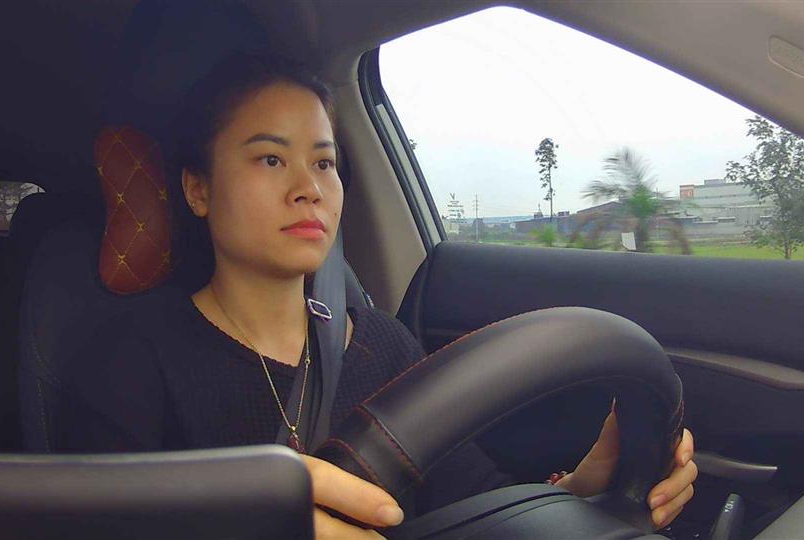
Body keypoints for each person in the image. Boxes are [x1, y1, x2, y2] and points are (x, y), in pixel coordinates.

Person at [52, 51, 696, 540]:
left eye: (324, 163)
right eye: (271, 159)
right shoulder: (129, 360)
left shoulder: (384, 343)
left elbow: (474, 507)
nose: (309, 188)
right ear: (197, 190)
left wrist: (585, 486)